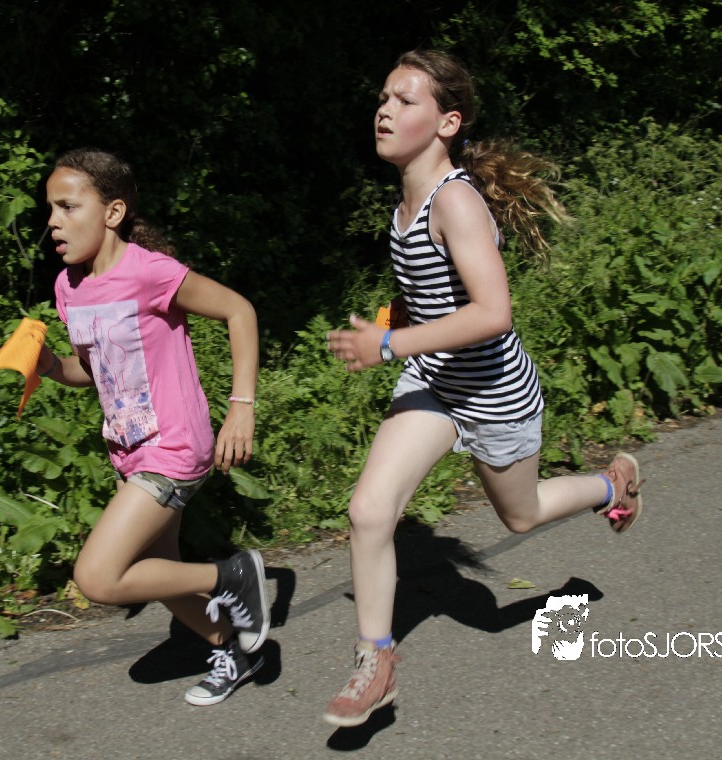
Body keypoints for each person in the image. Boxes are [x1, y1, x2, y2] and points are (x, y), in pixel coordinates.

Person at [323, 50, 644, 727]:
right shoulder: (404, 207)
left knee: (520, 518)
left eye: (405, 100)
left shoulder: (456, 201)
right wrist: (397, 324)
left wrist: (388, 344)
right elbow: (431, 295)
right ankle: (374, 660)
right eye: (383, 97)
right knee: (369, 512)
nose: (384, 110)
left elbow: (493, 312)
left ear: (448, 123)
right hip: (435, 383)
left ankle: (611, 486)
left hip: (494, 393)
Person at [36, 148, 269, 706]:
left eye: (68, 206)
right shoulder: (69, 289)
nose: (53, 222)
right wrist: (48, 366)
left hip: (174, 445)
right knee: (154, 570)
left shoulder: (150, 272)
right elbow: (92, 371)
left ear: (113, 212)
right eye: (50, 209)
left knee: (98, 577)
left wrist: (242, 405)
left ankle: (232, 576)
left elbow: (239, 310)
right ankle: (233, 649)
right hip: (128, 451)